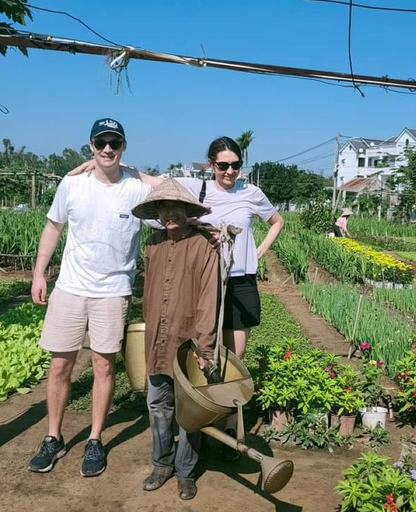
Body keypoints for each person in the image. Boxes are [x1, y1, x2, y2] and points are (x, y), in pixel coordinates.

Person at [69, 135, 284, 458]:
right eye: (223, 165)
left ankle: (225, 432)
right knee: (200, 358)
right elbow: (154, 181)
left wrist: (255, 253)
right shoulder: (195, 189)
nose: (230, 171)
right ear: (211, 164)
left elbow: (276, 222)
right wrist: (106, 165)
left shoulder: (251, 193)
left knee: (229, 363)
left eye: (236, 165)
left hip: (238, 284)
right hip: (202, 279)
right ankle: (197, 426)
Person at [28, 118, 151, 477]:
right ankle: (53, 437)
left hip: (113, 292)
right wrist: (40, 273)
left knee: (103, 365)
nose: (108, 149)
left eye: (115, 143)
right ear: (91, 146)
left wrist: (136, 173)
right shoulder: (72, 184)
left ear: (124, 147)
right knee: (60, 364)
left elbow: (173, 189)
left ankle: (95, 439)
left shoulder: (136, 189)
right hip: (69, 288)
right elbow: (53, 227)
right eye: (101, 143)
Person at [132, 178, 220, 501]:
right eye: (163, 208)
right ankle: (161, 464)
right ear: (156, 213)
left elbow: (209, 300)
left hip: (189, 343)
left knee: (188, 410)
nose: (169, 214)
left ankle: (185, 471)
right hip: (158, 338)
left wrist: (204, 344)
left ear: (187, 211)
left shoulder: (203, 247)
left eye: (175, 208)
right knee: (158, 403)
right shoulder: (152, 246)